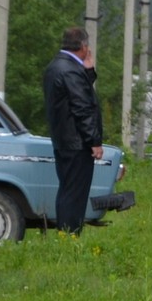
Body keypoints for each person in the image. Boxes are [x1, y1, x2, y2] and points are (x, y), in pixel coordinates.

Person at [41, 25, 104, 235]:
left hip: (63, 140)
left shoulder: (56, 66)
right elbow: (82, 107)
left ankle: (65, 233)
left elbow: (77, 94)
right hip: (77, 142)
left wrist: (88, 72)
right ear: (84, 46)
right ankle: (69, 235)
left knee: (67, 189)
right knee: (75, 193)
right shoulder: (69, 70)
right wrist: (94, 140)